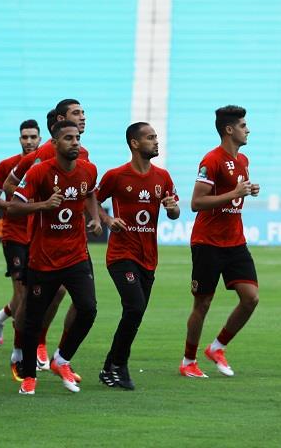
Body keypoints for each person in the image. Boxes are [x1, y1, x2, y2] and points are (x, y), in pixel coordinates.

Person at [9, 120, 102, 395]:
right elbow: (14, 207)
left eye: (77, 138)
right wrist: (44, 205)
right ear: (55, 143)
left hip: (76, 256)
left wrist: (95, 218)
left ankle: (61, 359)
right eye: (69, 138)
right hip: (43, 259)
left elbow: (90, 194)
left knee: (88, 308)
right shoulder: (39, 172)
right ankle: (29, 376)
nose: (75, 143)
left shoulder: (88, 170)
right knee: (33, 319)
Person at [96, 122, 179, 390]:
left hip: (148, 256)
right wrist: (108, 220)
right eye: (150, 137)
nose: (156, 141)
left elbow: (175, 212)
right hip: (121, 254)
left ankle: (109, 367)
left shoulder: (163, 177)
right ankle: (119, 365)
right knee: (134, 307)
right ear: (134, 143)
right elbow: (92, 201)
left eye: (156, 137)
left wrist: (172, 208)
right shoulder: (116, 175)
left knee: (136, 311)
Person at [180, 105, 261, 378]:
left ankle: (217, 347)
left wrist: (247, 190)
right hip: (208, 242)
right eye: (243, 125)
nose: (248, 130)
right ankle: (188, 361)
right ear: (229, 129)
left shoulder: (243, 160)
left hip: (235, 241)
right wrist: (234, 193)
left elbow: (235, 193)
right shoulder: (211, 160)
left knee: (250, 298)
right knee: (202, 304)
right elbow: (196, 202)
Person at [0, 119, 39, 380]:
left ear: (40, 138)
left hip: (36, 235)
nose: (29, 141)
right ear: (19, 139)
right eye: (24, 137)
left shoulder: (45, 165)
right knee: (24, 293)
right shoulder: (5, 167)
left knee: (31, 295)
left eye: (33, 137)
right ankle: (18, 353)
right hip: (14, 235)